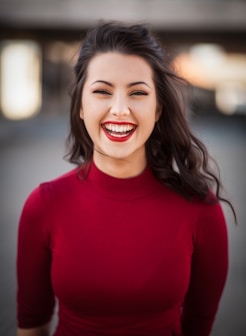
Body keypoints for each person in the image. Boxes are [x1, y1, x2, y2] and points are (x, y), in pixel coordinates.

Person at [17, 21, 235, 336]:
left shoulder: (201, 210)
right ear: (80, 105)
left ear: (158, 108)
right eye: (102, 91)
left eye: (137, 93)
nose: (120, 109)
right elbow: (31, 328)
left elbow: (199, 329)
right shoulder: (43, 205)